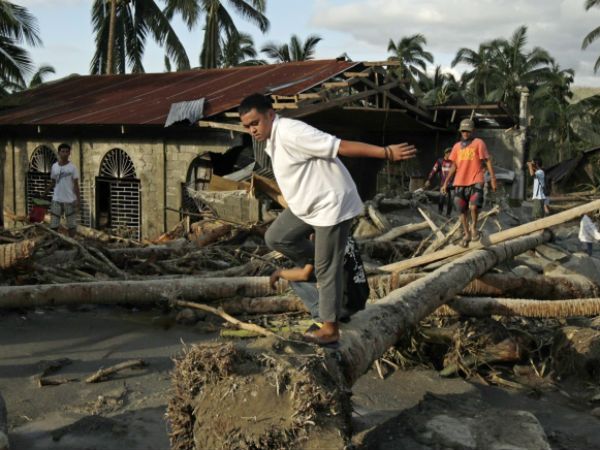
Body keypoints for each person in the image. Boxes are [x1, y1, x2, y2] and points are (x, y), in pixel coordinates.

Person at [239, 93, 416, 345]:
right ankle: (315, 267)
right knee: (276, 237)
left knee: (326, 267)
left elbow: (340, 146)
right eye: (246, 126)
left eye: (255, 122)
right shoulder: (271, 140)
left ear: (270, 114)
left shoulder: (291, 131)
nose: (251, 129)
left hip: (330, 205)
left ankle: (330, 327)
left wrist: (385, 152)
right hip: (307, 207)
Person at [269, 235, 369, 325]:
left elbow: (304, 275)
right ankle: (341, 316)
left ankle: (323, 315)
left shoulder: (321, 238)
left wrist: (279, 273)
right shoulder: (345, 234)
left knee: (295, 280)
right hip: (359, 299)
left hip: (345, 305)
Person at [442, 119, 497, 247]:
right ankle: (466, 233)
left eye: (468, 130)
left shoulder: (479, 143)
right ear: (460, 131)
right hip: (459, 182)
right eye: (463, 130)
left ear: (473, 131)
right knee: (461, 210)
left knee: (473, 207)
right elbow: (454, 166)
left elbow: (487, 161)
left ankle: (474, 228)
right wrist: (445, 183)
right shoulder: (456, 147)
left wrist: (493, 178)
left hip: (476, 180)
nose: (465, 133)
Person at [47, 143, 80, 237]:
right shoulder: (54, 167)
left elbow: (76, 185)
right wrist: (44, 193)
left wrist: (78, 200)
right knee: (53, 224)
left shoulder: (73, 167)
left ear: (69, 153)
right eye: (63, 151)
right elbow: (53, 182)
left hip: (70, 200)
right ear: (59, 153)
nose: (65, 153)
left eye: (67, 151)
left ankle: (72, 243)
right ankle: (53, 242)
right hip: (56, 199)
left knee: (72, 225)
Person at [424, 147, 454, 216]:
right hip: (443, 184)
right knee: (441, 199)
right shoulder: (440, 161)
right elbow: (433, 170)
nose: (451, 154)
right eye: (449, 153)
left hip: (452, 185)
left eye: (451, 153)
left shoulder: (454, 162)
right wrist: (429, 179)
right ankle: (440, 213)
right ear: (446, 153)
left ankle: (448, 215)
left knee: (451, 200)